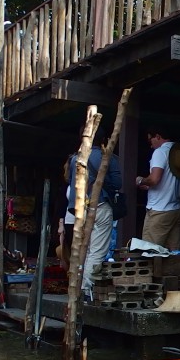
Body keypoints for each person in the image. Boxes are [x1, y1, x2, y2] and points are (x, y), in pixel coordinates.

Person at [68, 126, 122, 294]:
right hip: (100, 206)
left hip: (79, 209)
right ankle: (86, 289)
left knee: (82, 250)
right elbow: (117, 184)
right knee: (96, 251)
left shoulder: (74, 159)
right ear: (103, 140)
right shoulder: (108, 158)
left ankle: (76, 286)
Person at [135, 127, 180, 251]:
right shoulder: (178, 151)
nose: (151, 145)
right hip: (175, 209)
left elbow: (154, 179)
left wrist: (140, 180)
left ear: (157, 136)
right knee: (173, 253)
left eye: (150, 140)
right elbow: (169, 180)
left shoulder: (160, 152)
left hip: (159, 210)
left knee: (150, 251)